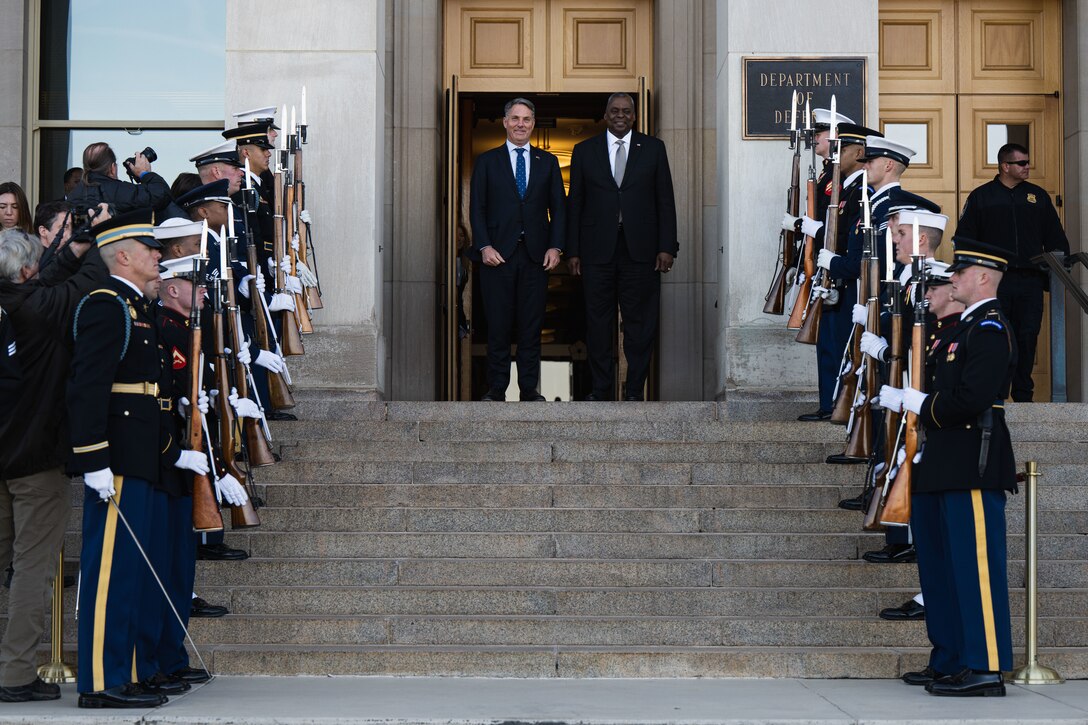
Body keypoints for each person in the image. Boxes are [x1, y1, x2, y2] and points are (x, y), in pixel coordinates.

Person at [66, 208, 209, 708]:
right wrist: (92, 457)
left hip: (143, 454)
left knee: (133, 572)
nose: (158, 255)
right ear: (123, 256)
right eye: (149, 249)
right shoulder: (105, 304)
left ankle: (129, 671)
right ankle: (101, 682)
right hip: (118, 458)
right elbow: (87, 388)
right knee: (111, 572)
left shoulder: (135, 309)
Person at [878, 237, 1017, 697]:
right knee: (940, 570)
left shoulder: (990, 328)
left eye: (959, 272)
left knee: (975, 569)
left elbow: (974, 398)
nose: (952, 278)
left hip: (972, 460)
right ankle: (952, 659)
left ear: (981, 278)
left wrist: (924, 404)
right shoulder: (960, 329)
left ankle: (985, 666)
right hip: (939, 460)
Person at [0, 221, 106, 703]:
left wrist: (67, 247)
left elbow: (48, 282)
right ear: (26, 269)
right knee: (31, 569)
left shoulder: (19, 301)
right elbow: (81, 284)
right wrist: (95, 241)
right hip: (35, 459)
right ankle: (17, 674)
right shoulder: (39, 308)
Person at [566, 92, 677, 401]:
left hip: (641, 251)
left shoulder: (653, 149)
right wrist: (572, 250)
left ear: (634, 116)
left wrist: (667, 246)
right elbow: (574, 203)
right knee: (598, 324)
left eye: (626, 111)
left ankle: (633, 390)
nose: (620, 115)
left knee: (640, 324)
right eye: (614, 110)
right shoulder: (584, 151)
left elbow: (664, 200)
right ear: (605, 115)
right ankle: (601, 390)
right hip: (595, 251)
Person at [876, 260, 963, 624]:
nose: (926, 295)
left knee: (947, 539)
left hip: (948, 441)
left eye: (934, 289)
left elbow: (959, 396)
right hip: (929, 433)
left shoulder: (967, 332)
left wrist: (919, 405)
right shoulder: (940, 331)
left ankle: (932, 598)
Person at [955, 142, 1070, 402]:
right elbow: (964, 240)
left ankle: (1023, 396)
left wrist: (1059, 267)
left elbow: (1055, 238)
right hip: (995, 283)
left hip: (1029, 281)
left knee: (1027, 337)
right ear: (1005, 166)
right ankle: (995, 395)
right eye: (1021, 163)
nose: (1027, 167)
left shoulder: (1038, 196)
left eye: (1028, 162)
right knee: (995, 336)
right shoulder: (981, 197)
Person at [469, 97, 565, 401]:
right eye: (515, 118)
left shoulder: (547, 162)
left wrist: (556, 246)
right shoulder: (486, 161)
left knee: (530, 326)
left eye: (526, 119)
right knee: (498, 325)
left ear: (533, 124)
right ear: (505, 122)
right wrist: (483, 245)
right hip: (496, 256)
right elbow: (477, 209)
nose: (520, 124)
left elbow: (559, 210)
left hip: (536, 256)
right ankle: (497, 388)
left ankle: (528, 389)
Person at [789, 122, 879, 421]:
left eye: (844, 148)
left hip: (847, 276)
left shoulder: (860, 191)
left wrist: (819, 230)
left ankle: (840, 404)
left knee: (841, 343)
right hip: (831, 273)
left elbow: (849, 235)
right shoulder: (844, 186)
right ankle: (829, 403)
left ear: (860, 152)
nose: (836, 153)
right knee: (827, 342)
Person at [65, 142, 173, 215]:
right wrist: (143, 174)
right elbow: (161, 195)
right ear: (112, 168)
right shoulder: (121, 191)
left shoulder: (72, 196)